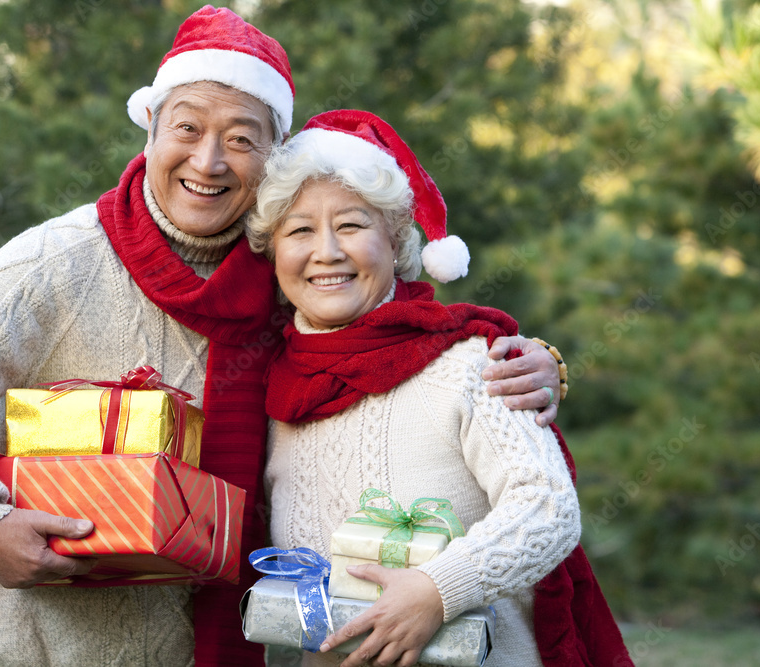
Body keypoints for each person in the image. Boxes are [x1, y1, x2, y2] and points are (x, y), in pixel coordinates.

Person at [0, 7, 565, 667]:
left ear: (272, 157)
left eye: (241, 139)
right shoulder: (62, 260)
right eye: (189, 129)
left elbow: (398, 341)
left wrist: (537, 368)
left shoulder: (284, 274)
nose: (209, 161)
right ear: (151, 130)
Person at [247, 110, 631, 667]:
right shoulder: (271, 388)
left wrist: (436, 589)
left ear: (396, 239)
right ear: (275, 252)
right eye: (300, 229)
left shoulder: (468, 362)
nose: (326, 251)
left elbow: (548, 508)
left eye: (352, 225)